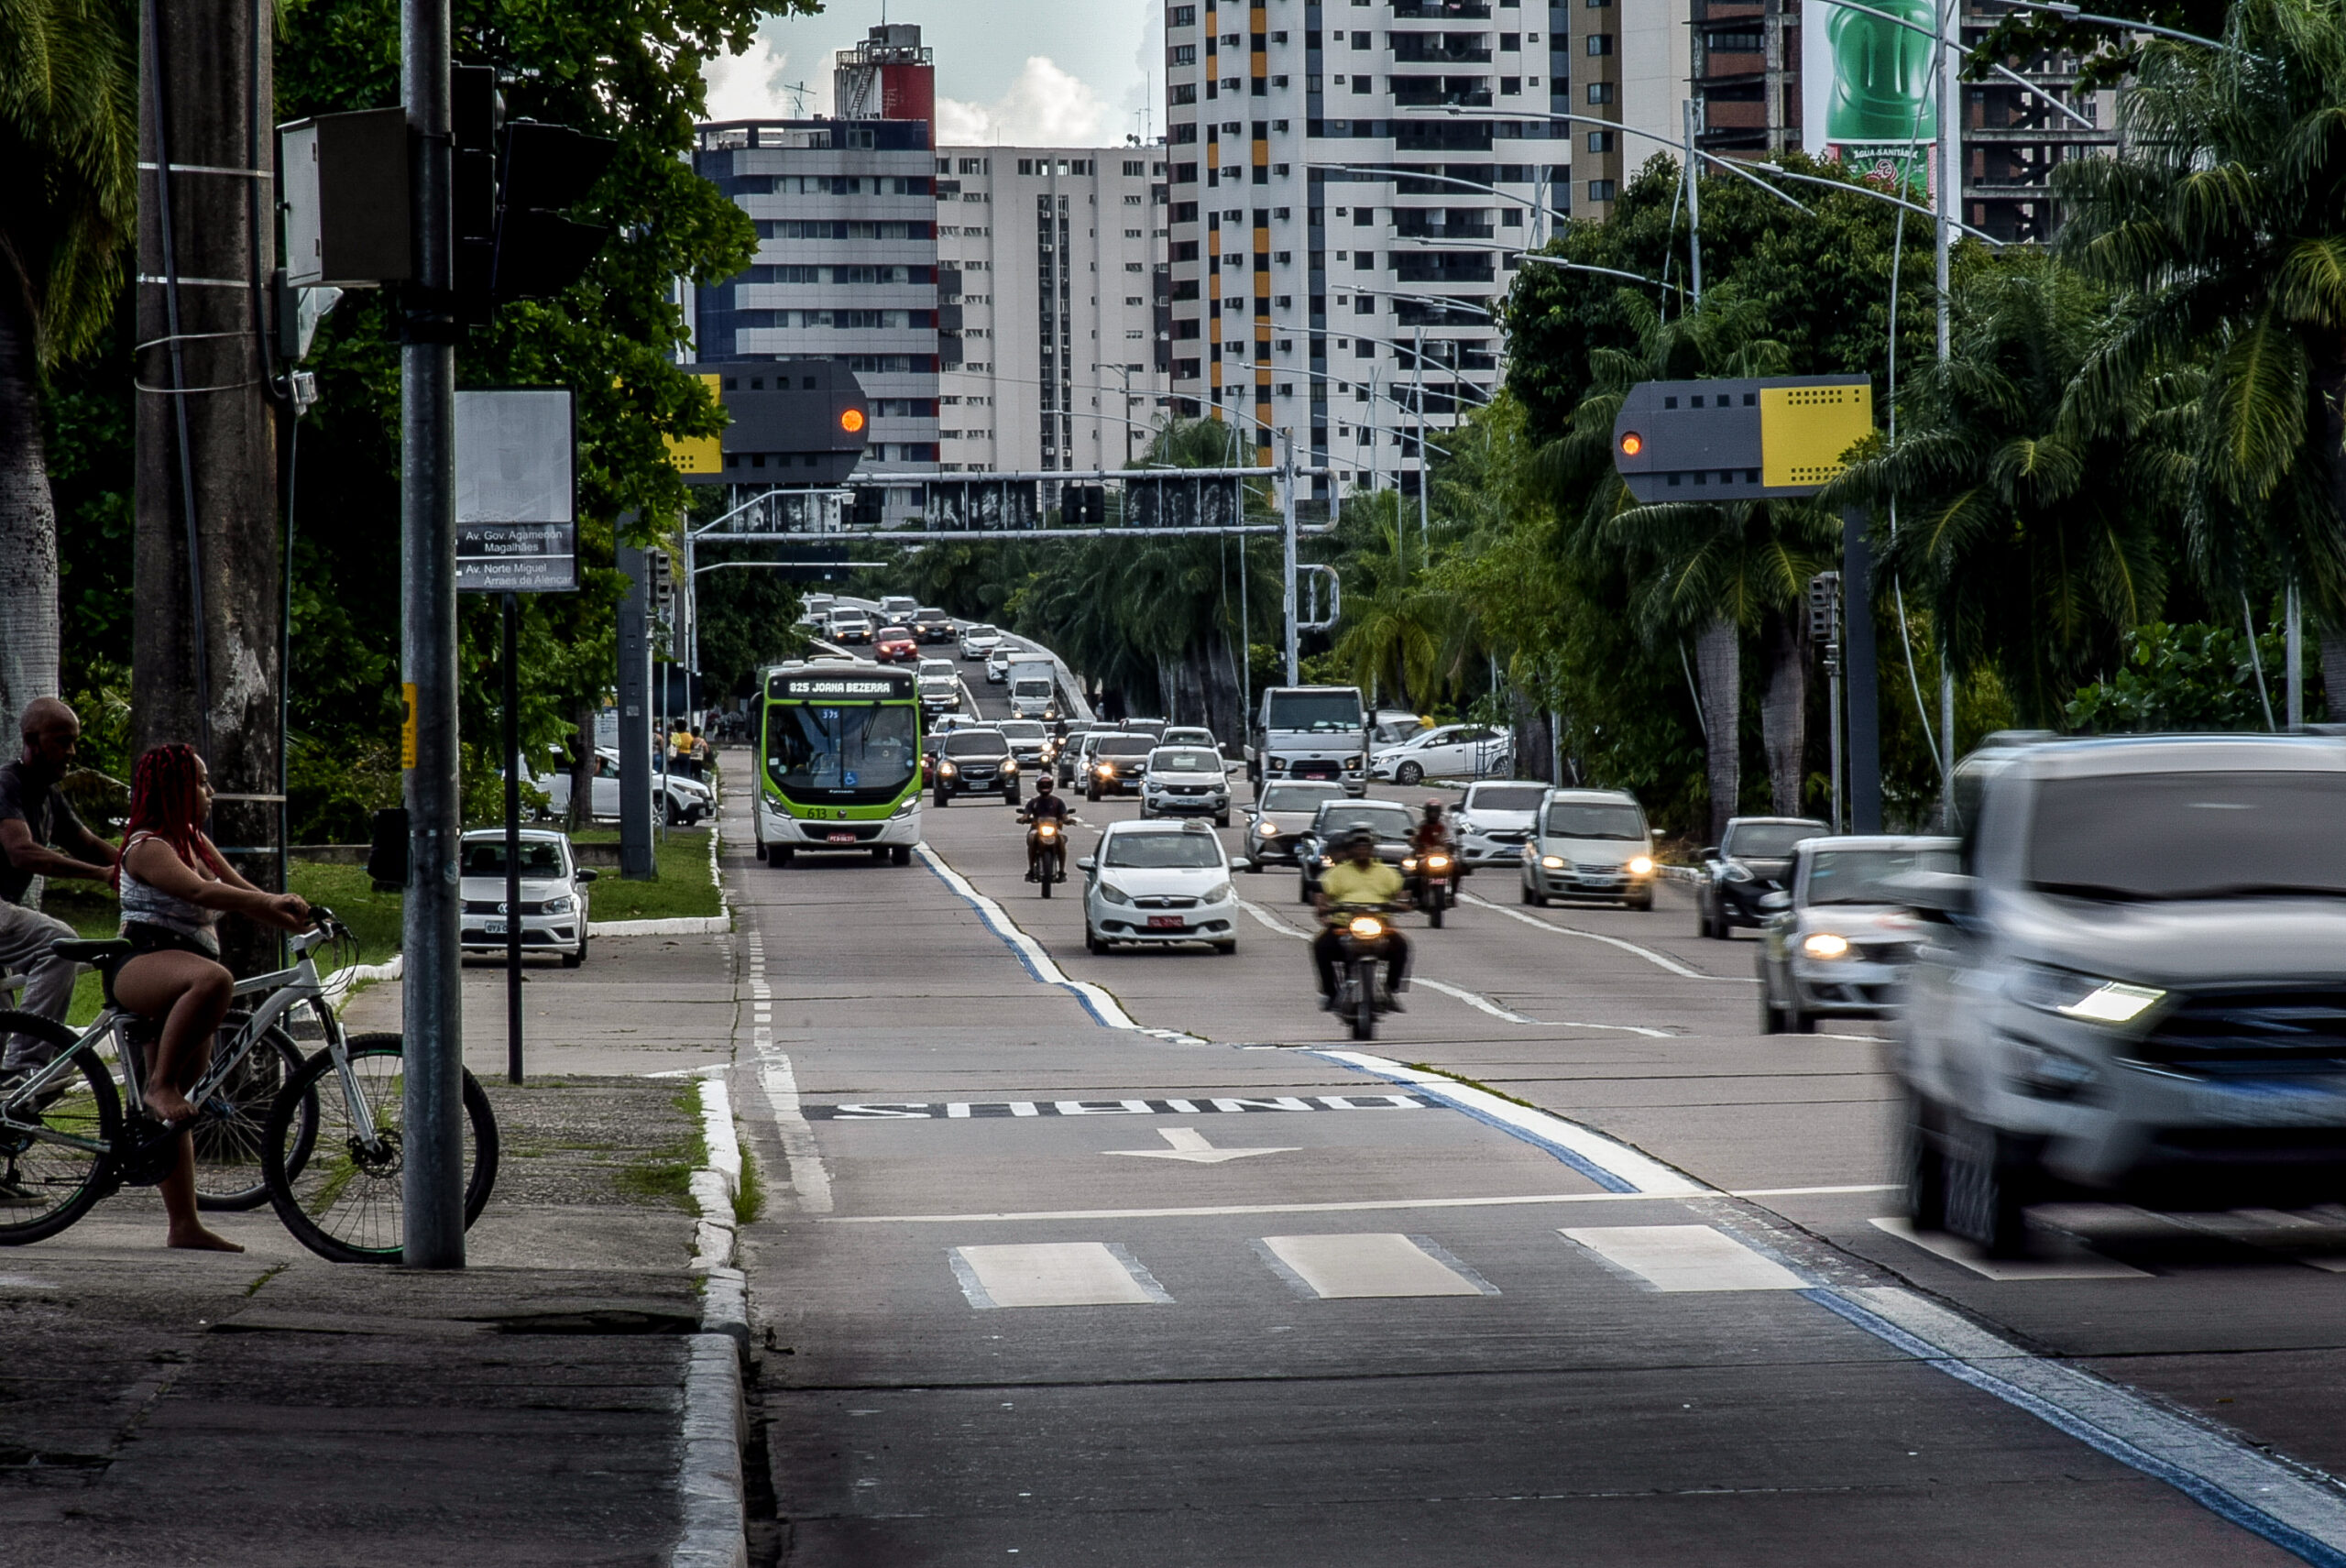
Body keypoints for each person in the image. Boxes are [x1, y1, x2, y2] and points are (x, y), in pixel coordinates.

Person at [111, 743, 312, 1252]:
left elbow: (237, 889)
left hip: (180, 971)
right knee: (214, 981)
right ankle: (156, 1086)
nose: (210, 791)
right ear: (176, 788)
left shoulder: (194, 841)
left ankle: (184, 1226)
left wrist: (296, 918)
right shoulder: (148, 844)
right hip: (142, 965)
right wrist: (269, 901)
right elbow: (202, 894)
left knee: (186, 1099)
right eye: (201, 782)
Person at [0, 698, 120, 1076]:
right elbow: (22, 853)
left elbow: (89, 844)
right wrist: (100, 875)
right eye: (62, 740)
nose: (71, 751)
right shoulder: (7, 785)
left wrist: (143, 866)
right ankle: (26, 1069)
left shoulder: (49, 795)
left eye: (74, 741)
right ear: (32, 739)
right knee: (58, 944)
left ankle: (8, 1116)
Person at [1312, 827, 1411, 1011]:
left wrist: (1401, 904)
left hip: (1379, 923)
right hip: (1344, 923)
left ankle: (1390, 991)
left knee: (1402, 945)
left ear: (1373, 849)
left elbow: (1402, 895)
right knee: (1320, 946)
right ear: (1350, 850)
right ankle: (1330, 994)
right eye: (1357, 847)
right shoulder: (1337, 873)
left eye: (1366, 847)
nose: (1362, 851)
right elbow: (1323, 895)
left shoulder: (1387, 873)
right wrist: (1324, 908)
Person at [1019, 776, 1072, 881]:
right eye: (1042, 784)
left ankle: (1062, 871)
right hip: (1037, 829)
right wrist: (1023, 819)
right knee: (1032, 839)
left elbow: (1065, 816)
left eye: (1047, 784)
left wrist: (1067, 820)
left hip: (1054, 830)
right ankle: (1031, 870)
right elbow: (1026, 815)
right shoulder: (1033, 802)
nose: (1045, 786)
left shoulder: (1058, 802)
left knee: (1061, 841)